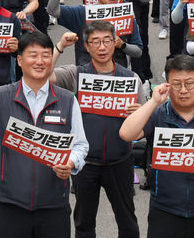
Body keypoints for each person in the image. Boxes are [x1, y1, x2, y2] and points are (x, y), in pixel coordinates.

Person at [0, 32, 89, 238]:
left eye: (46, 55)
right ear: (19, 60)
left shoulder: (68, 99)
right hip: (11, 203)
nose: (40, 61)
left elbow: (81, 145)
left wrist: (71, 163)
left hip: (54, 203)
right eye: (33, 55)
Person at [119, 55, 194, 237]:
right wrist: (153, 102)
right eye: (176, 84)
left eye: (189, 84)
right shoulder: (158, 114)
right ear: (167, 86)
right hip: (164, 209)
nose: (183, 90)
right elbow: (126, 134)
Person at [52, 22, 145, 238]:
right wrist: (60, 47)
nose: (101, 47)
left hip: (120, 161)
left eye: (106, 41)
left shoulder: (131, 79)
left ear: (115, 44)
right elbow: (43, 77)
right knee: (84, 223)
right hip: (85, 163)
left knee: (128, 220)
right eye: (95, 42)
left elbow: (142, 129)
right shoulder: (76, 74)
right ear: (86, 46)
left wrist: (140, 112)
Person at [47, 0, 143, 67]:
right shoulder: (83, 12)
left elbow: (138, 51)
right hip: (87, 73)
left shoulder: (126, 15)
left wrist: (122, 45)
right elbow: (52, 10)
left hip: (116, 73)